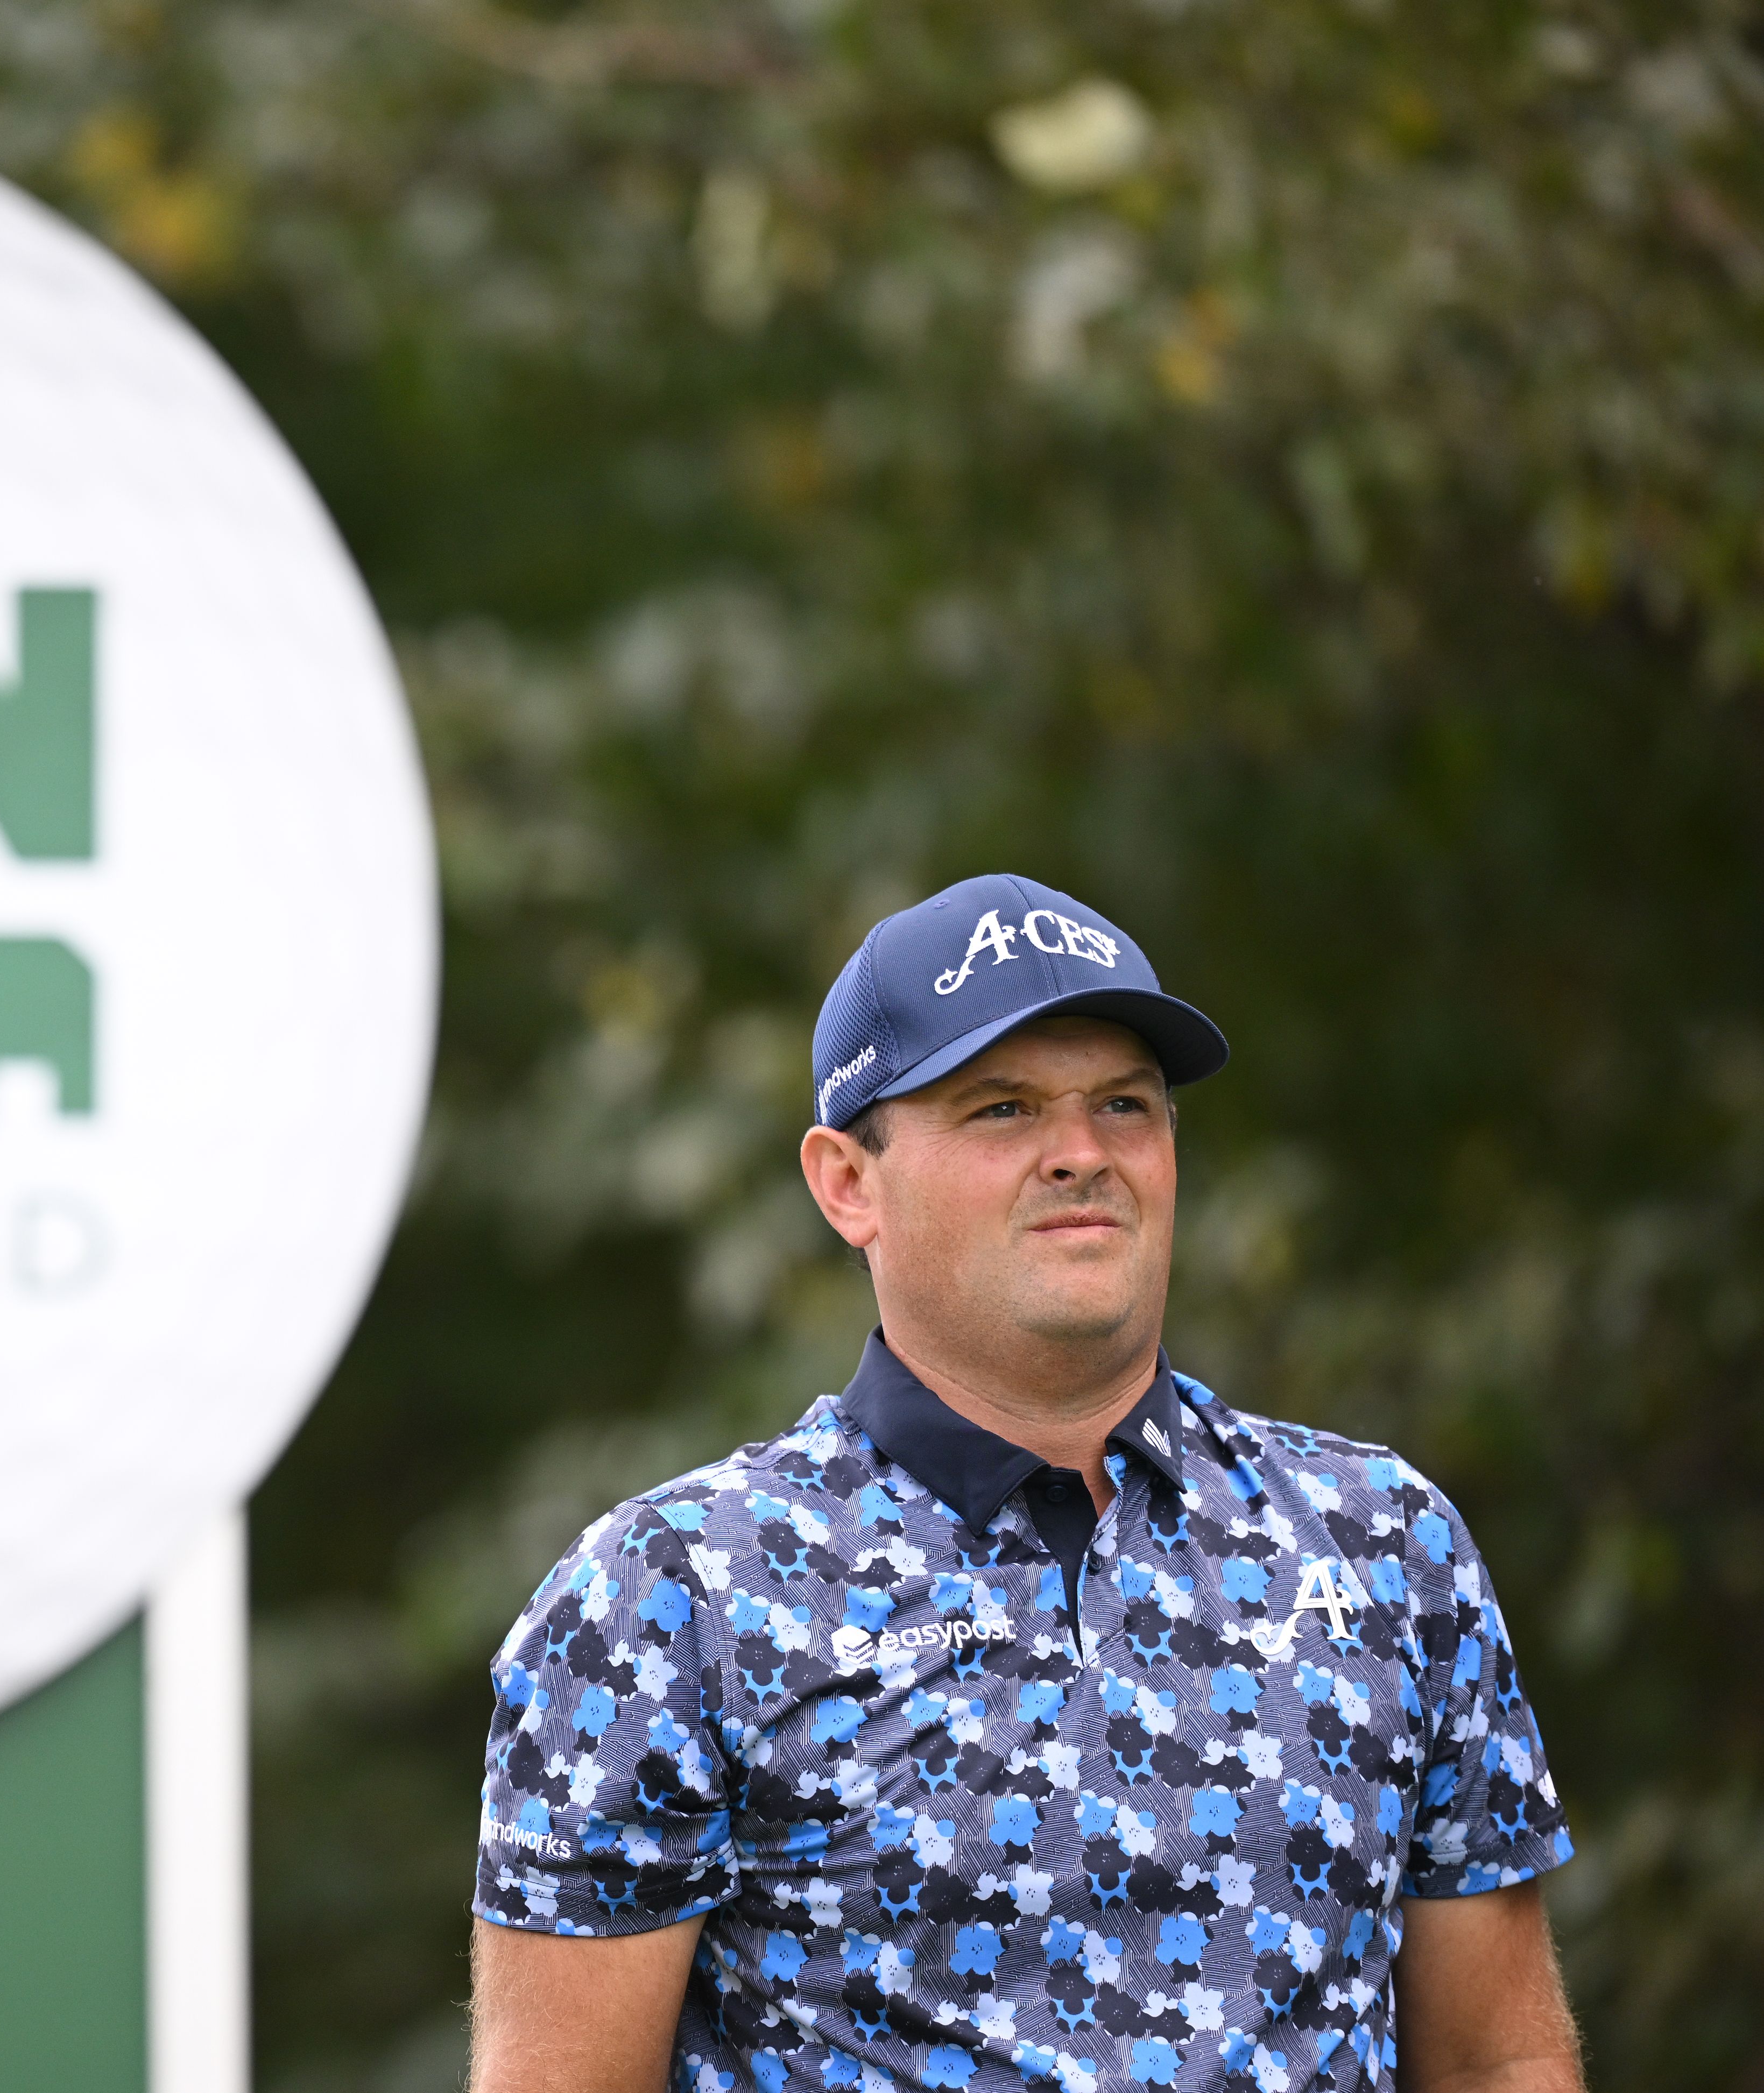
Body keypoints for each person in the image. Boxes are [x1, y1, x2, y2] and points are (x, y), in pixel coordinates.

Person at [467, 874, 1580, 2093]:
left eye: (1124, 1104)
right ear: (847, 1182)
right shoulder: (674, 1594)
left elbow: (1496, 2059)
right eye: (1001, 1109)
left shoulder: (1380, 1542)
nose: (1081, 1155)